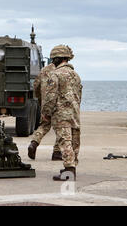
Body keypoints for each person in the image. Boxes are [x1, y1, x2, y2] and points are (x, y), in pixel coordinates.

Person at [41, 45, 82, 181]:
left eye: (54, 59)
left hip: (61, 114)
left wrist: (46, 112)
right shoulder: (76, 75)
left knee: (65, 142)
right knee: (74, 141)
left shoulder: (55, 74)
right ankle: (71, 167)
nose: (53, 62)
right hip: (74, 113)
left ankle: (69, 171)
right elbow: (79, 95)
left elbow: (50, 96)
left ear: (58, 58)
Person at [28, 62, 62, 161]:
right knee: (61, 127)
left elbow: (36, 85)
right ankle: (57, 152)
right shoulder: (63, 71)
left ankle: (34, 143)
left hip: (45, 101)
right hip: (59, 103)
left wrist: (40, 99)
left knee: (44, 125)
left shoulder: (44, 70)